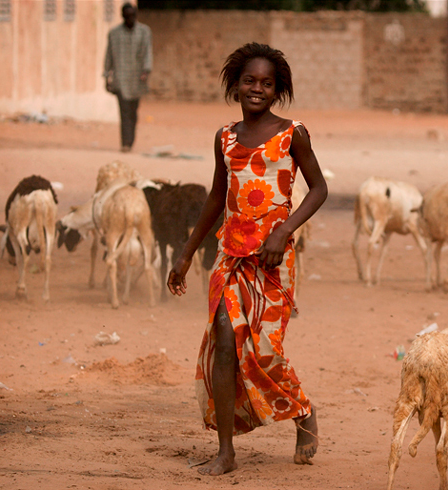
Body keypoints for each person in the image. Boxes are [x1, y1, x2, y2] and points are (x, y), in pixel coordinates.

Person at [167, 43, 328, 476]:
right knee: (225, 340)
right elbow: (217, 197)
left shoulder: (292, 132)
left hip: (274, 262)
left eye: (267, 83)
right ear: (236, 85)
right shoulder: (225, 137)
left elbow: (318, 190)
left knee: (263, 351)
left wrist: (283, 230)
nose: (257, 88)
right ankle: (226, 451)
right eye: (249, 81)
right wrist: (185, 253)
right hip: (230, 256)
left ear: (278, 90)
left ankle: (303, 411)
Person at [103, 2, 152, 153]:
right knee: (124, 111)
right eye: (127, 16)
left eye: (133, 15)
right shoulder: (114, 33)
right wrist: (107, 76)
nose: (130, 19)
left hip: (137, 78)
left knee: (133, 111)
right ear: (122, 16)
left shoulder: (144, 32)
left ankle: (130, 140)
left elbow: (147, 53)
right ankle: (126, 143)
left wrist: (146, 70)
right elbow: (109, 55)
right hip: (121, 78)